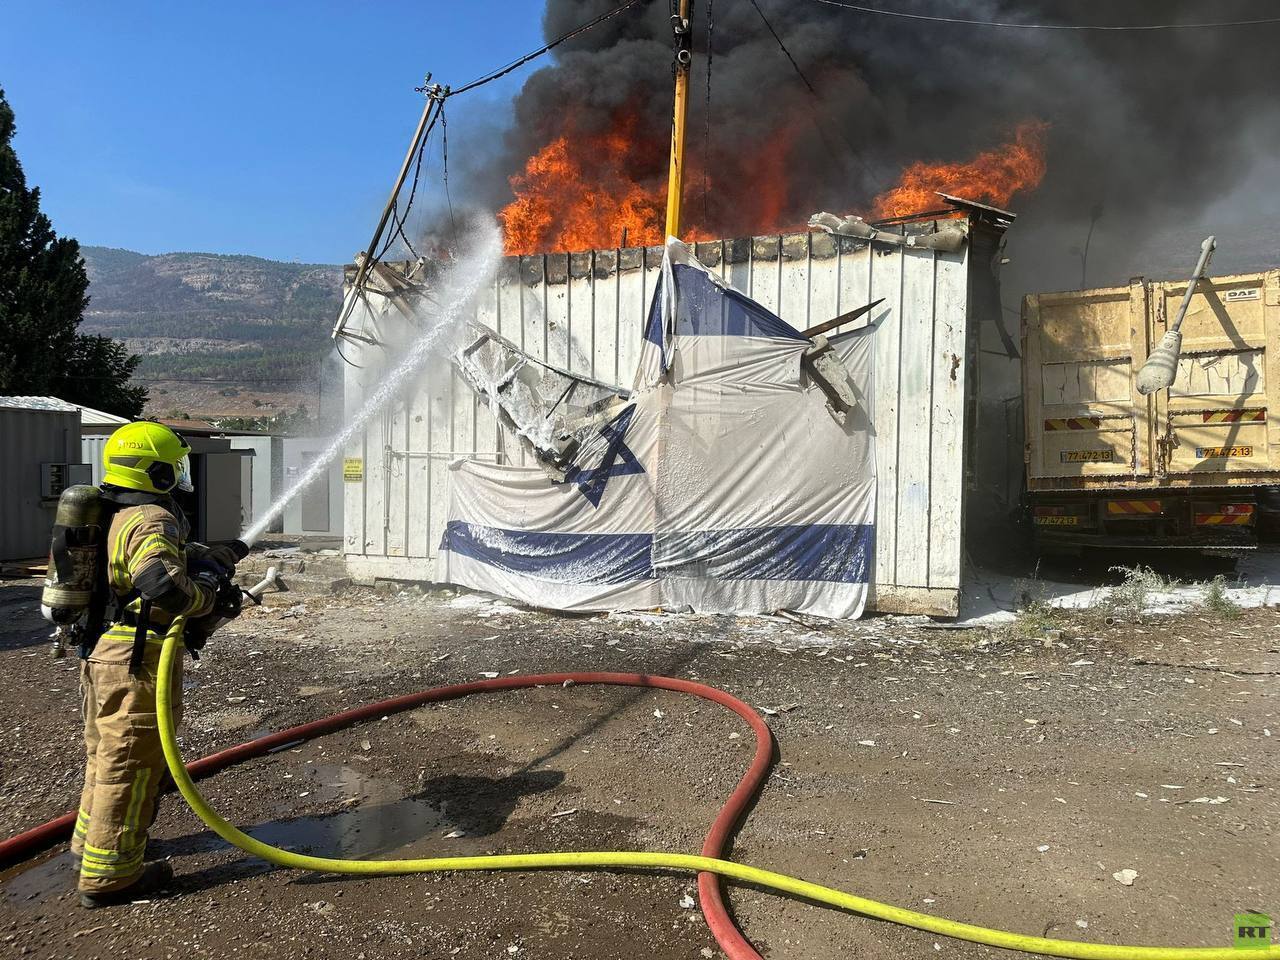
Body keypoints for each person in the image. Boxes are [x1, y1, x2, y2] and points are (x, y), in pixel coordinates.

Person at [71, 421, 241, 908]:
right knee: (132, 760)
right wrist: (206, 594)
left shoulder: (113, 512)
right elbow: (162, 585)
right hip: (136, 658)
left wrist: (209, 555)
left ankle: (91, 844)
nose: (179, 475)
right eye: (173, 467)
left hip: (103, 649)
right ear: (156, 472)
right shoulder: (151, 517)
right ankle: (111, 874)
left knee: (105, 754)